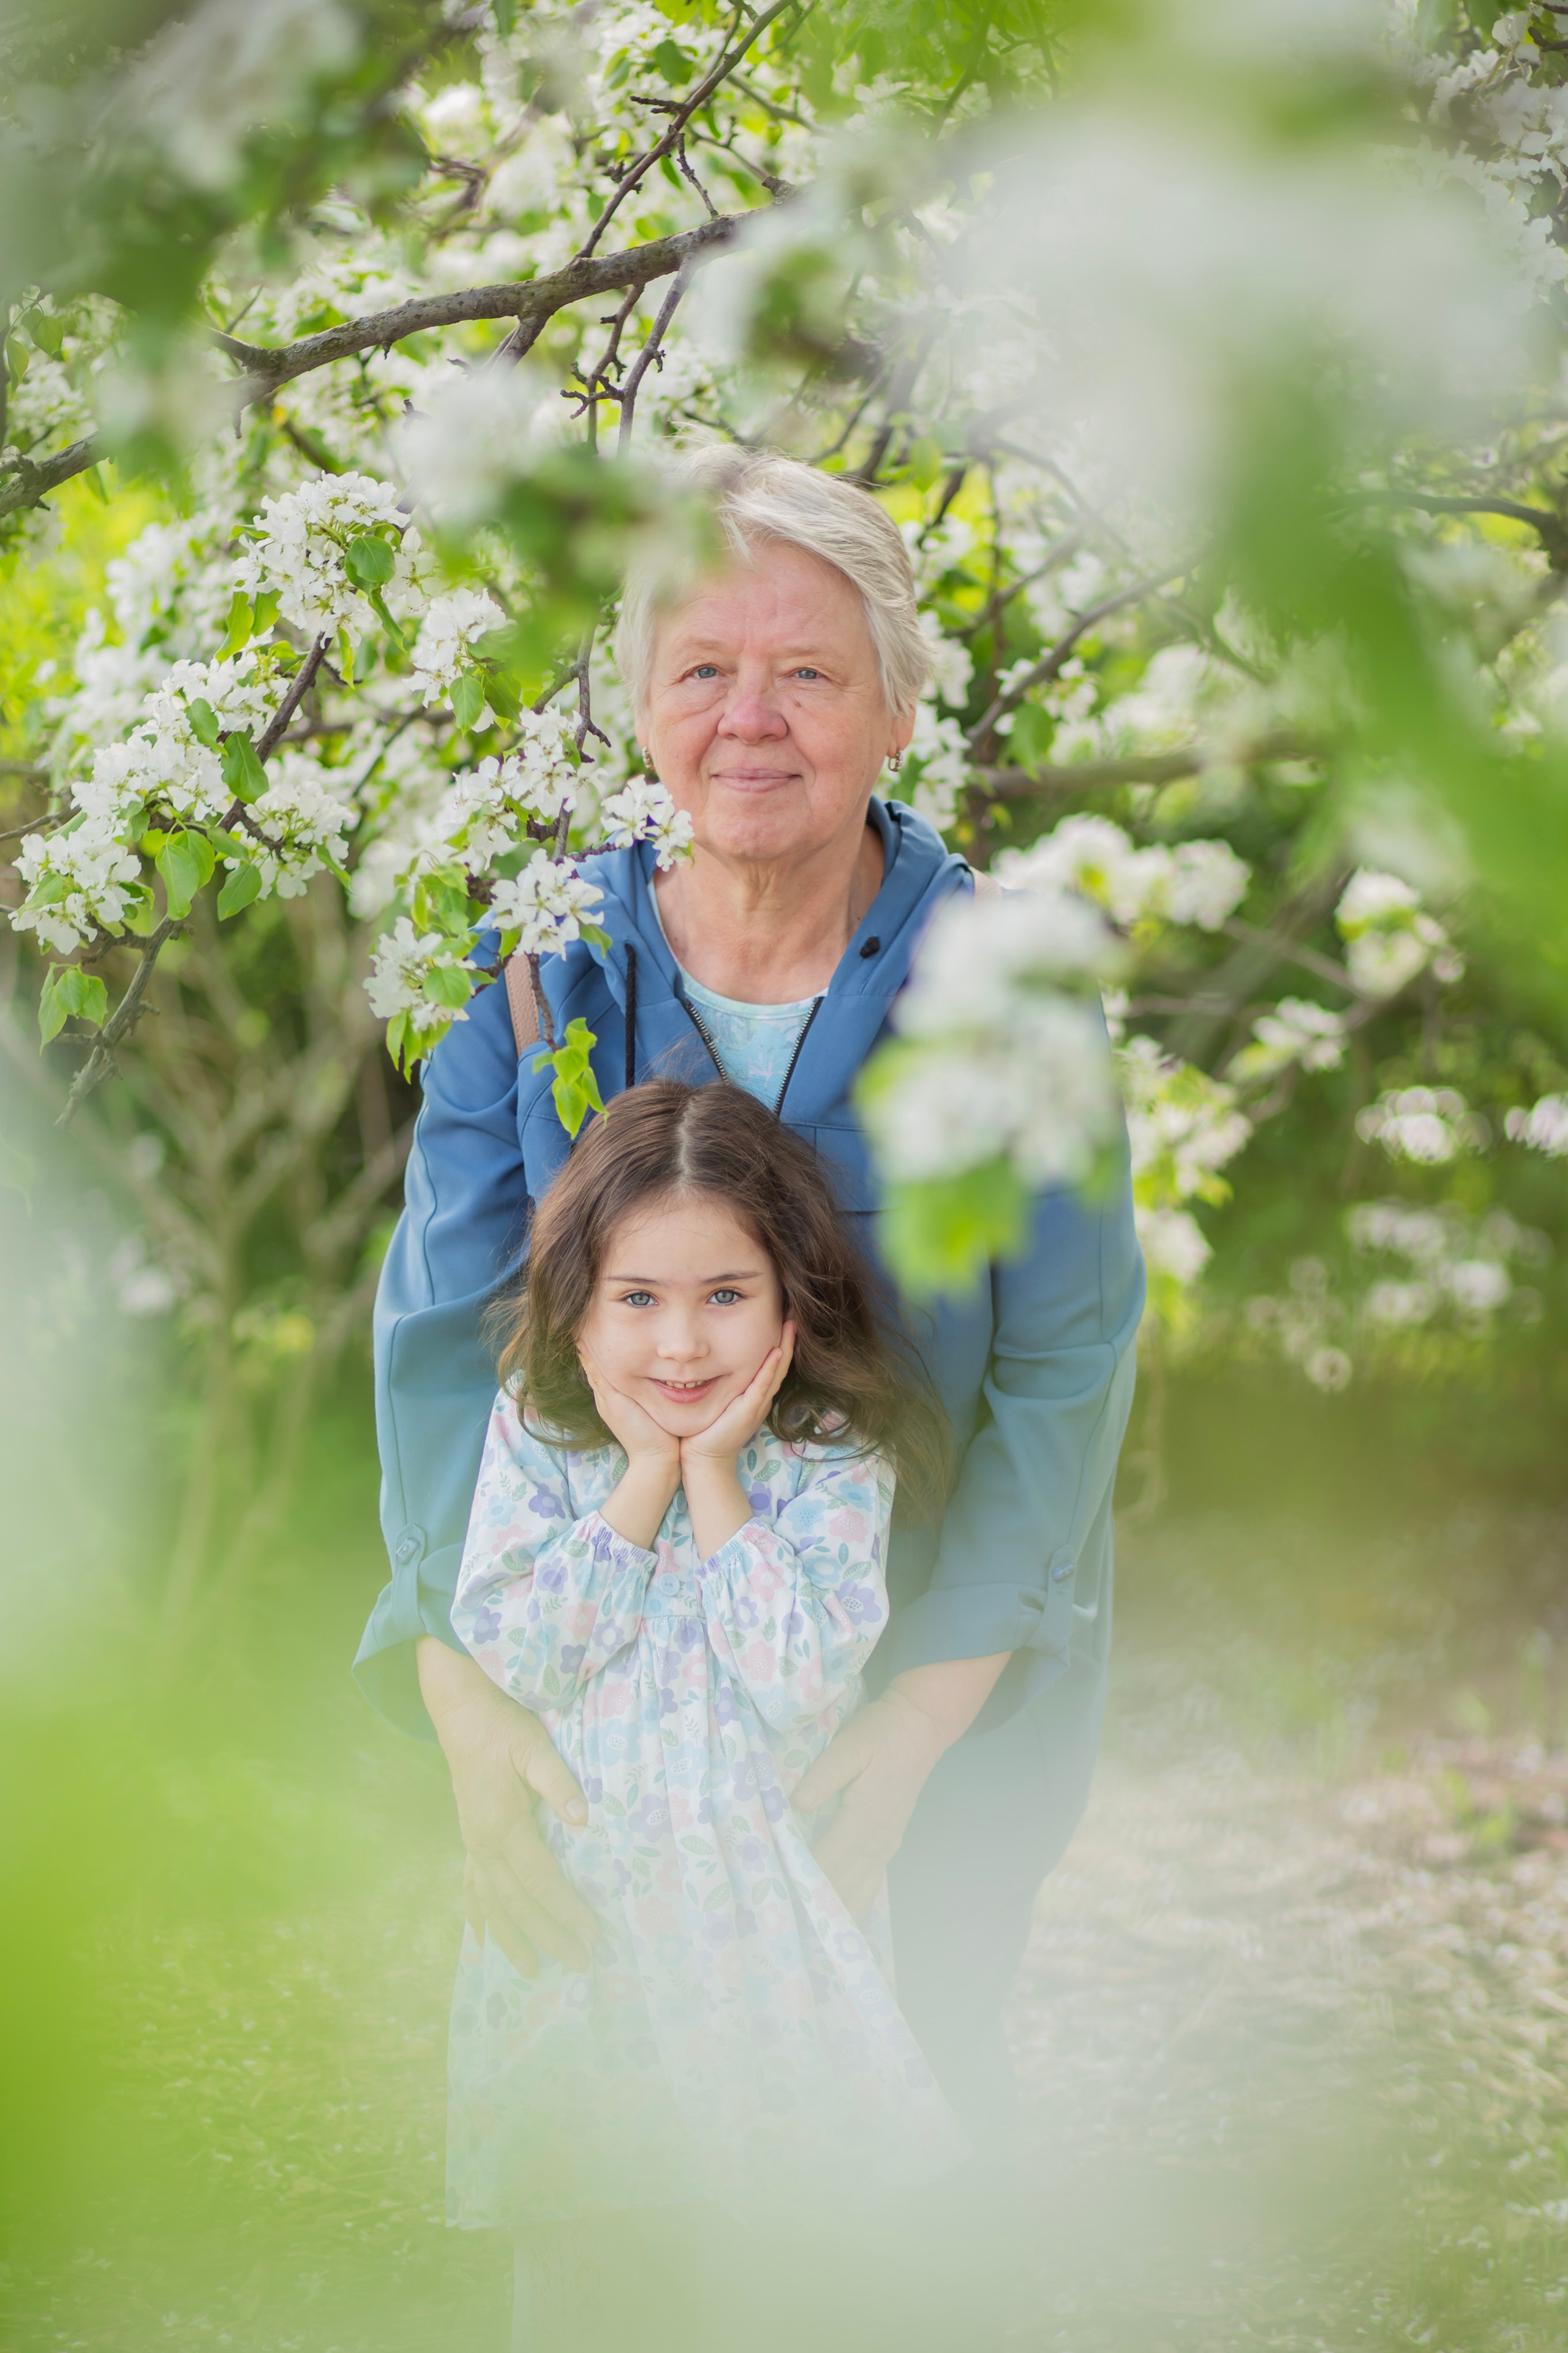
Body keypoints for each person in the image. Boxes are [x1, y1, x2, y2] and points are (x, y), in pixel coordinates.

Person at [355, 444, 1145, 2329]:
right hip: (602, 1721)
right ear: (640, 702)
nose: (750, 719)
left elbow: (1065, 1366)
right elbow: (438, 1348)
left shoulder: (1007, 988)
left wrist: (920, 1721)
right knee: (603, 2181)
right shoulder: (534, 974)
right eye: (702, 667)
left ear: (897, 705)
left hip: (927, 1690)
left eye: (806, 671)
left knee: (889, 2169)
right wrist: (468, 1706)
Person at [448, 1078, 968, 2342]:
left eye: (724, 1296)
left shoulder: (831, 1452)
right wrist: (641, 1481)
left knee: (776, 2273)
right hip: (592, 1934)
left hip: (763, 1952)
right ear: (577, 1303)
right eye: (637, 1299)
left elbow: (800, 1672)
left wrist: (718, 1479)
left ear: (790, 1295)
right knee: (587, 2266)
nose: (681, 1346)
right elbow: (523, 1653)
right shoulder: (540, 1436)